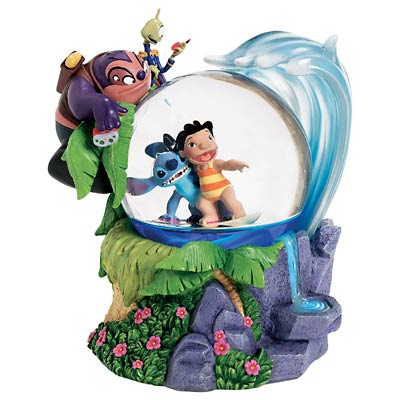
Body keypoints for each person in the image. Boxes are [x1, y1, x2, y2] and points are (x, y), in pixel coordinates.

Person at [176, 120, 248, 226]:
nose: (204, 146)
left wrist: (237, 165)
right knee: (201, 204)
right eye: (192, 144)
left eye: (209, 138)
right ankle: (211, 216)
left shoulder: (214, 164)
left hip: (223, 189)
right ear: (182, 153)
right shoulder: (196, 167)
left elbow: (226, 164)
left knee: (230, 201)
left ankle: (239, 213)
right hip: (207, 195)